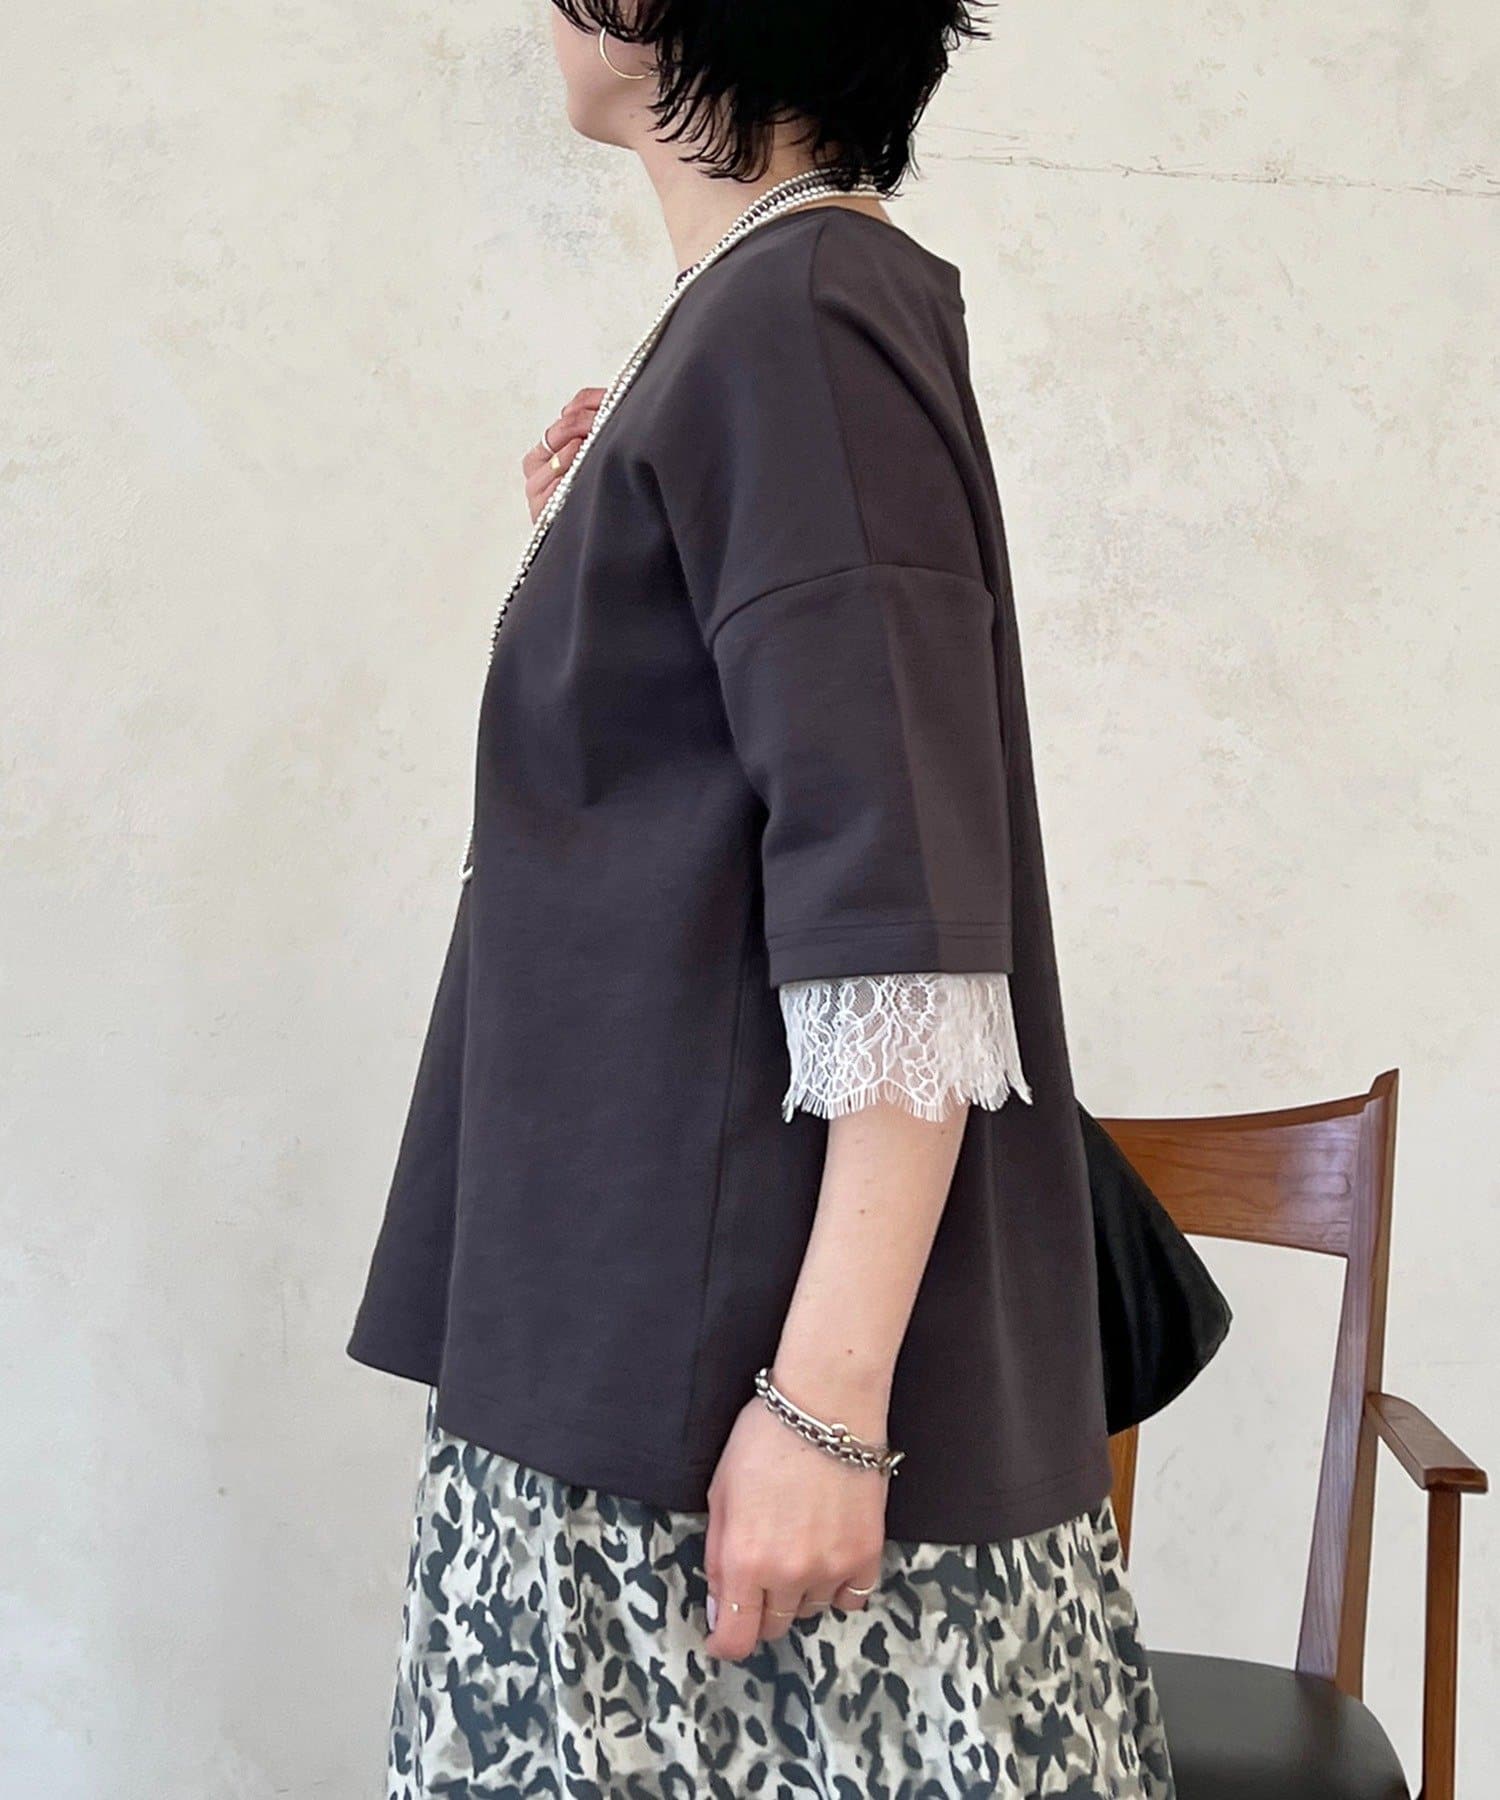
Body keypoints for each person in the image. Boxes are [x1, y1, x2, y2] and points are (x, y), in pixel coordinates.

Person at [346, 3, 1175, 1794]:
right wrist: (612, 537)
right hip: (650, 1377)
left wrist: (826, 1411)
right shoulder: (760, 318)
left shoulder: (798, 317)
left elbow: (901, 896)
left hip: (711, 1423)